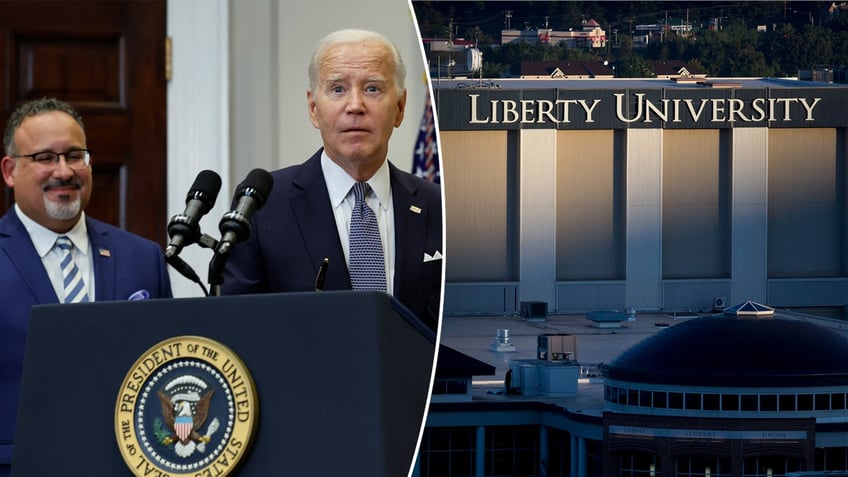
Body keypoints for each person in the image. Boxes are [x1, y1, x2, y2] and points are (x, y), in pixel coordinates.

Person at [222, 29, 443, 330]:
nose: (355, 105)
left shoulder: (438, 205)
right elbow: (240, 327)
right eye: (338, 89)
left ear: (400, 107)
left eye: (373, 89)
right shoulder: (264, 206)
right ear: (314, 108)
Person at [0, 97, 173, 476]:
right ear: (10, 171)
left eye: (75, 155)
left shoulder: (142, 258)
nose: (64, 171)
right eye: (45, 158)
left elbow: (164, 372)